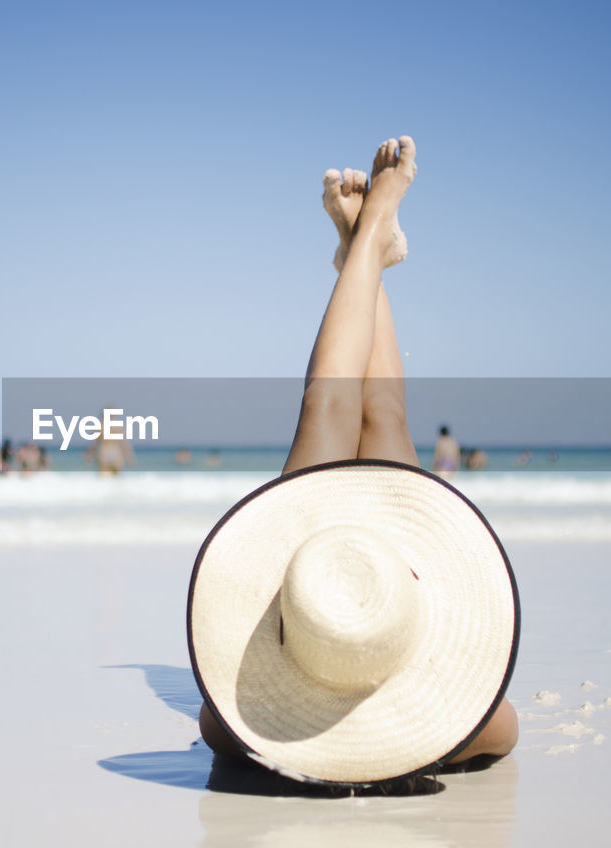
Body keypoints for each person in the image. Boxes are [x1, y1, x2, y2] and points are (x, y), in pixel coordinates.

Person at [197, 136, 517, 771]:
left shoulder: (232, 733)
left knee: (337, 409)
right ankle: (368, 243)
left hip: (318, 571)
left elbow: (218, 717)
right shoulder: (470, 736)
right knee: (354, 410)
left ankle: (367, 246)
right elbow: (502, 727)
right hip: (385, 567)